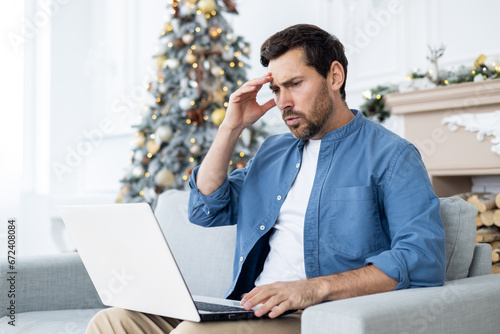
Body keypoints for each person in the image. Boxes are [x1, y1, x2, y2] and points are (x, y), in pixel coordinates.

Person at [87, 23, 445, 334]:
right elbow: (206, 209)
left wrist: (311, 289)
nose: (283, 101)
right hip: (250, 308)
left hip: (312, 315)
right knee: (114, 323)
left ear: (335, 77)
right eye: (276, 90)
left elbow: (422, 258)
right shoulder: (274, 153)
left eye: (294, 84)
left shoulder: (392, 155)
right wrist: (231, 127)